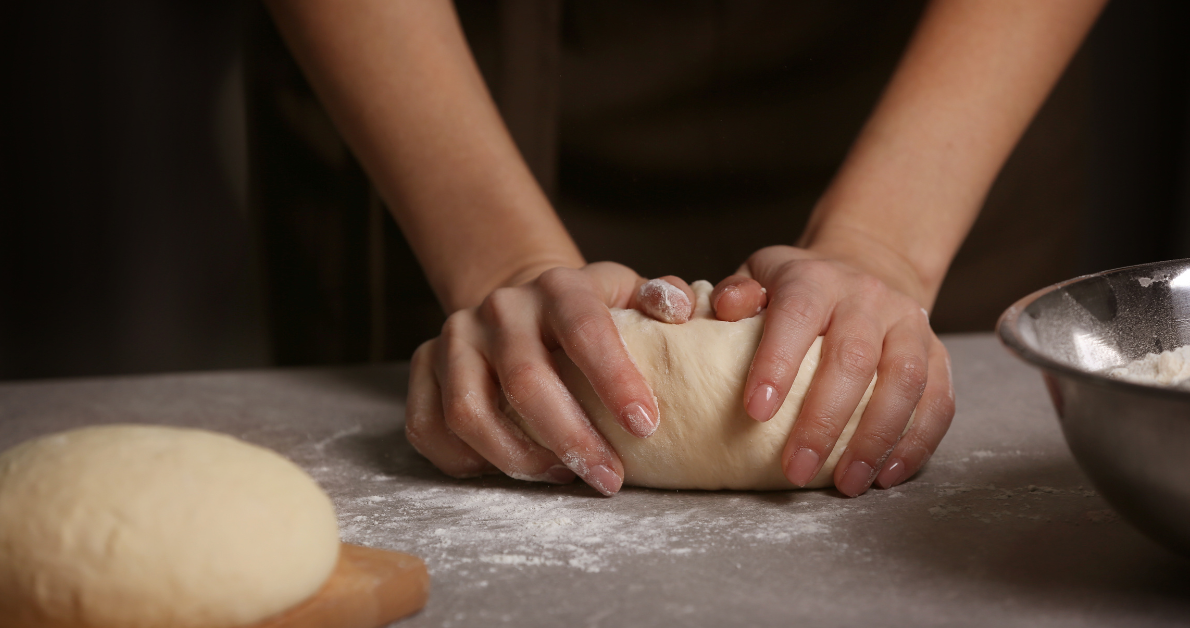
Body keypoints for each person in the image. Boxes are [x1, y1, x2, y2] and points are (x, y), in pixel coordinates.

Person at [264, 0, 1106, 497]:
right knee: (488, 398)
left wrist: (883, 246)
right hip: (448, 83)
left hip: (934, 82)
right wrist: (498, 264)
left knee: (881, 384)